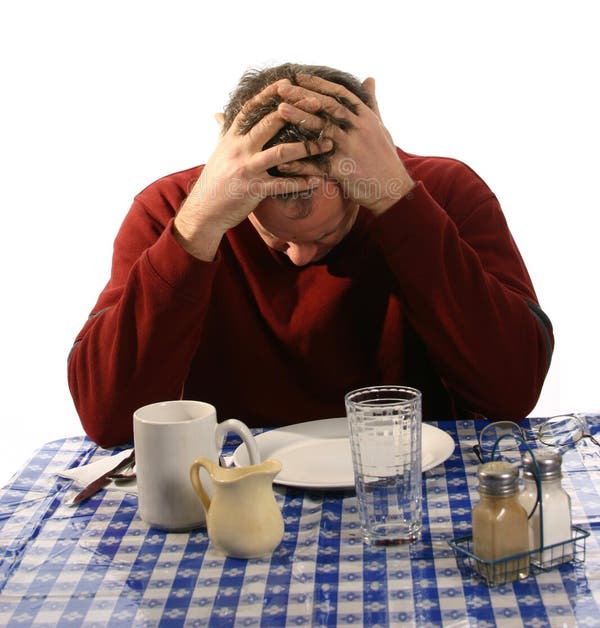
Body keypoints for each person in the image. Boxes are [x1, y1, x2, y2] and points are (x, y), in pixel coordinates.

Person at [68, 63, 554, 448]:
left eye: (328, 233)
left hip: (409, 485)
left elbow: (511, 392)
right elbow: (109, 419)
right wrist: (196, 229)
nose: (299, 258)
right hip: (232, 490)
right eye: (272, 235)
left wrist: (395, 202)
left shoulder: (442, 192)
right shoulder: (175, 210)